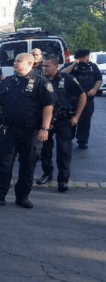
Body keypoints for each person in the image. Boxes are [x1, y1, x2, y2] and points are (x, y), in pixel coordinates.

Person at [0, 53, 55, 209]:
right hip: (9, 130)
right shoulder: (8, 82)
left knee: (27, 165)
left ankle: (22, 196)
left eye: (19, 61)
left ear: (30, 63)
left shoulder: (41, 82)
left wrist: (44, 128)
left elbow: (48, 106)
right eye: (15, 60)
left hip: (31, 132)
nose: (15, 63)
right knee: (3, 164)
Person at [36, 56, 86, 191]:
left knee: (64, 151)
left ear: (56, 66)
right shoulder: (39, 80)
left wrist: (77, 116)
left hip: (64, 120)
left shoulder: (67, 79)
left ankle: (63, 180)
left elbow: (83, 95)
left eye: (47, 66)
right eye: (43, 66)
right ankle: (47, 174)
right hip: (46, 121)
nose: (44, 68)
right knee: (45, 150)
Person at [60, 49, 102, 149]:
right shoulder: (70, 66)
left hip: (88, 99)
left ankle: (82, 140)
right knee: (71, 119)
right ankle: (69, 138)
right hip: (72, 99)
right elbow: (62, 74)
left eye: (87, 56)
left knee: (85, 120)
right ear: (77, 57)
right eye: (83, 56)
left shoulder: (92, 67)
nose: (86, 58)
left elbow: (99, 79)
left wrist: (95, 89)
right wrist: (74, 64)